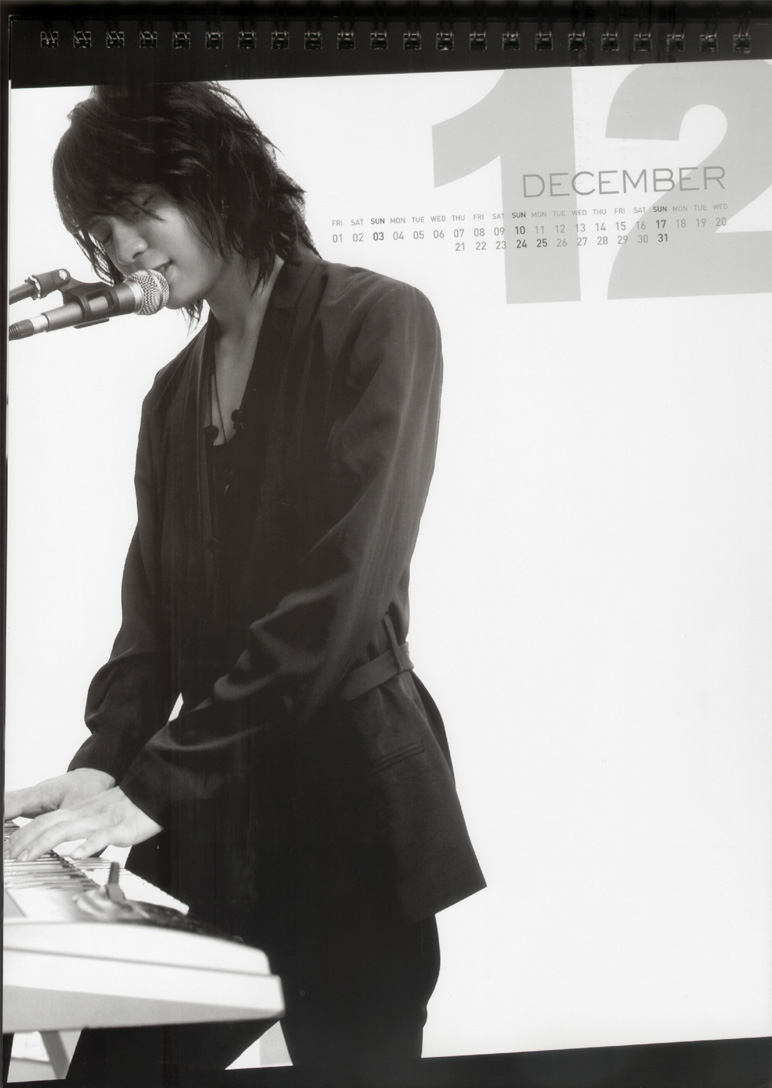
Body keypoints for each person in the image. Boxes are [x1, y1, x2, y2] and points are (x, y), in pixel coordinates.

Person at [5, 82, 485, 1087]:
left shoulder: (380, 321)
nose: (122, 249)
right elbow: (151, 624)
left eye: (138, 209)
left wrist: (147, 789)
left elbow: (337, 603)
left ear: (216, 183)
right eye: (102, 229)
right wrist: (104, 765)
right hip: (219, 819)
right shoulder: (170, 397)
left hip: (352, 819)